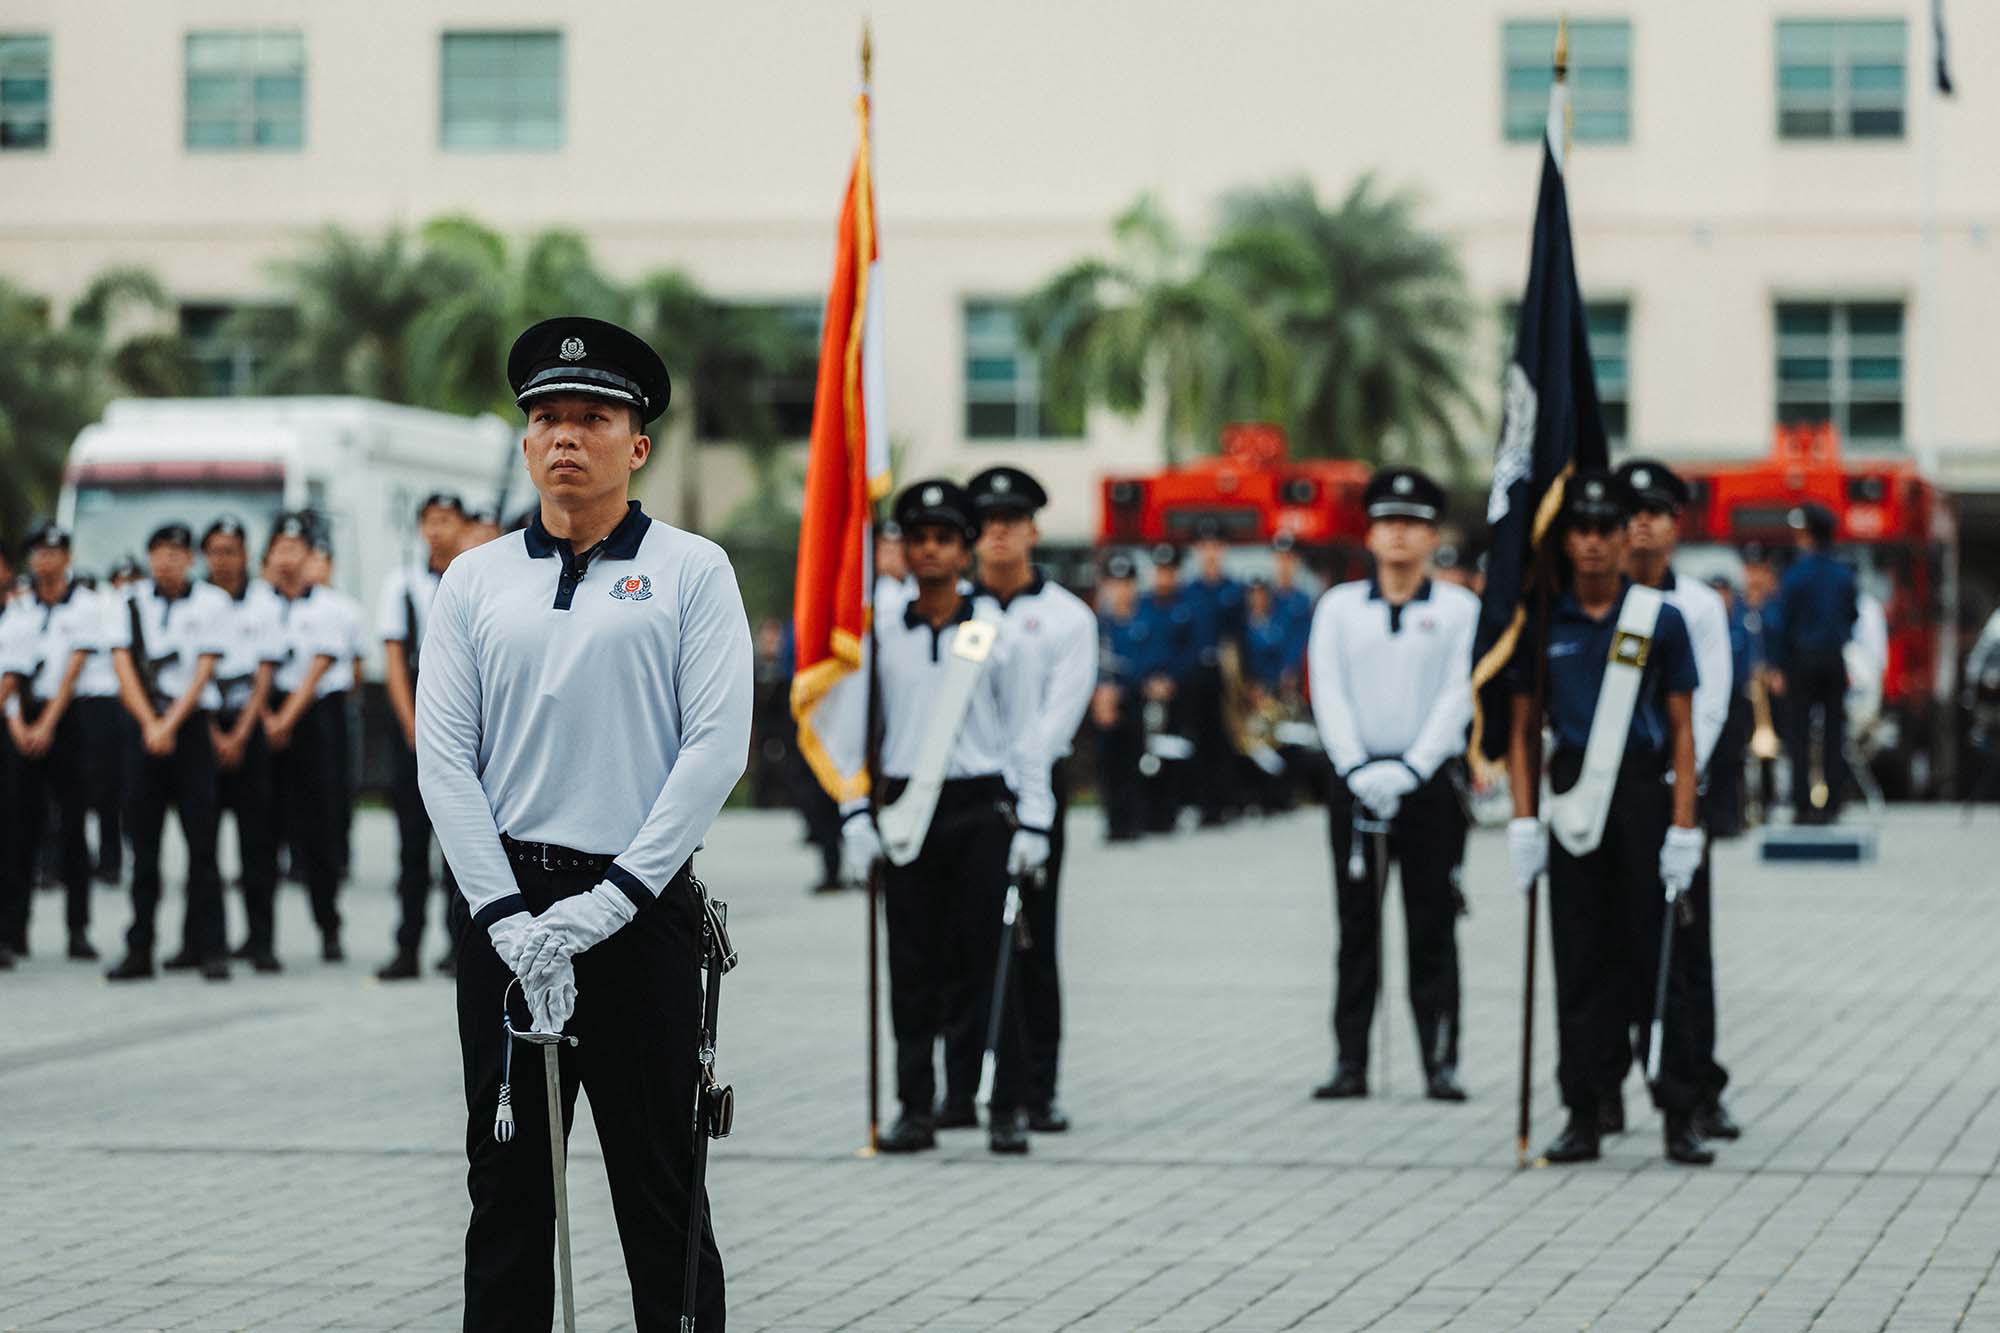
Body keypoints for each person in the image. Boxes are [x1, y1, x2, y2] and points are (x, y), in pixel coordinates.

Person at [417, 315, 749, 1329]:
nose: (565, 436)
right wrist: (508, 917)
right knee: (508, 1183)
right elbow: (443, 758)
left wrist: (608, 903)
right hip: (507, 912)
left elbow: (712, 749)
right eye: (546, 419)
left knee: (660, 1188)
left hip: (638, 912)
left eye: (592, 418)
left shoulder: (692, 571)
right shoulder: (475, 579)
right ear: (525, 442)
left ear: (635, 444)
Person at [1505, 470, 1712, 1167]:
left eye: (1606, 530)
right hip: (1570, 801)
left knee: (1660, 958)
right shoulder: (1542, 622)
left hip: (1641, 796)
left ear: (1627, 538)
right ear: (1565, 541)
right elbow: (1523, 729)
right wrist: (1523, 820)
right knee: (1579, 957)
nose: (1593, 544)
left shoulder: (1661, 618)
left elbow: (1682, 729)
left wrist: (1685, 827)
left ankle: (1680, 1109)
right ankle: (1584, 1107)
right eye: (1581, 531)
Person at [839, 478, 1051, 1157]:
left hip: (978, 806)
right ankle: (915, 1104)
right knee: (911, 963)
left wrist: (1036, 824)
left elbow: (1027, 738)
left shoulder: (1001, 637)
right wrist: (852, 814)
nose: (929, 549)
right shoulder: (878, 635)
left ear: (964, 549)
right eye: (918, 537)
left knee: (988, 962)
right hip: (906, 805)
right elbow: (854, 728)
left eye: (944, 538)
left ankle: (1002, 1103)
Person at [1306, 468, 1478, 1103]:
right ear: (1370, 536)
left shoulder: (1460, 609)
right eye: (1387, 523)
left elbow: (1458, 695)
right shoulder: (1339, 609)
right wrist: (1355, 768)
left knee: (1432, 924)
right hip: (1356, 783)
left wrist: (1413, 768)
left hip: (1429, 787)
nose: (1399, 535)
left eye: (1412, 524)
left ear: (1432, 537)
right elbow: (1328, 692)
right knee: (1356, 926)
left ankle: (1439, 1060)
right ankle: (1350, 1061)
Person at [968, 465, 1098, 1135]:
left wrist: (1026, 791)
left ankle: (1039, 1088)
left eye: (1009, 522)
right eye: (986, 523)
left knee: (1032, 944)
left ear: (1032, 531)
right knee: (962, 949)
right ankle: (963, 1088)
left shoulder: (1067, 617)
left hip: (1034, 794)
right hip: (965, 799)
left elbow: (1057, 718)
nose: (997, 533)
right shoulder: (955, 607)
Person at [1615, 459, 1740, 1144]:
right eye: (1631, 510)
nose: (1642, 522)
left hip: (1675, 794)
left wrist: (1678, 786)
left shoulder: (1697, 605)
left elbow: (1711, 705)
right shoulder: (1593, 598)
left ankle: (1697, 1088)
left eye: (1656, 511)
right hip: (1610, 794)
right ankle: (1608, 1085)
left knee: (1686, 951)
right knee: (1613, 948)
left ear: (1675, 524)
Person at [102, 523, 231, 982]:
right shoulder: (127, 601)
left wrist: (170, 724)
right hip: (144, 725)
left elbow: (205, 671)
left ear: (190, 559)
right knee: (144, 843)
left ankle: (210, 946)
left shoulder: (211, 602)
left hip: (190, 727)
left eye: (176, 553)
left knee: (202, 842)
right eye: (158, 553)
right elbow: (122, 665)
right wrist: (151, 725)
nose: (166, 561)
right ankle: (140, 947)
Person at [376, 492, 469, 980]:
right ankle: (406, 946)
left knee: (459, 846)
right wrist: (412, 725)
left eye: (447, 520)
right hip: (414, 722)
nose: (438, 530)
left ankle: (459, 946)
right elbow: (393, 659)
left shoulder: (475, 576)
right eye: (430, 521)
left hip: (461, 721)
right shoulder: (402, 585)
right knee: (411, 846)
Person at [4, 523, 101, 960]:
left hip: (66, 717)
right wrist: (19, 726)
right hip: (20, 716)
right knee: (18, 827)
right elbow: (7, 671)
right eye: (38, 553)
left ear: (66, 557)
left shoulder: (82, 605)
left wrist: (47, 725)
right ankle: (13, 927)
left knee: (72, 825)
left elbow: (73, 670)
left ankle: (77, 928)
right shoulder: (17, 607)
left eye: (53, 552)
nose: (45, 560)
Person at [260, 513, 347, 961]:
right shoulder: (257, 604)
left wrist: (285, 719)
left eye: (296, 550)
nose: (288, 558)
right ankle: (261, 937)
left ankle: (328, 925)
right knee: (263, 829)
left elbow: (320, 667)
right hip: (265, 710)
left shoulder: (327, 607)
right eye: (280, 549)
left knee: (319, 830)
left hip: (311, 717)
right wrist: (266, 716)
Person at [202, 517, 284, 971]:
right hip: (204, 724)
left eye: (230, 550)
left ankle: (261, 939)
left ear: (245, 555)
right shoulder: (196, 603)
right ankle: (201, 940)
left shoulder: (264, 604)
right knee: (203, 841)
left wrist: (239, 732)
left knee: (257, 840)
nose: (223, 560)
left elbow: (265, 673)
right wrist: (214, 730)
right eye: (214, 551)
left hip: (248, 724)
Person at [1771, 503, 1858, 823]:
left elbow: (1782, 623)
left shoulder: (1795, 575)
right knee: (1835, 732)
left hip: (1801, 659)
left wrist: (1778, 665)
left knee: (1799, 733)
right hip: (1833, 658)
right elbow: (1852, 616)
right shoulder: (1843, 573)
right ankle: (1833, 802)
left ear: (1807, 535)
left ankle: (1801, 803)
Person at [307, 538, 366, 883]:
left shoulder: (346, 608)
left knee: (339, 783)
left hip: (336, 699)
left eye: (320, 562)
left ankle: (340, 853)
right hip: (304, 701)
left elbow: (357, 664)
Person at [1185, 525, 1246, 825]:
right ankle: (1203, 803)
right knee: (1199, 739)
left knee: (1227, 739)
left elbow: (1241, 637)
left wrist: (1247, 678)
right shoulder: (1189, 592)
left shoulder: (1233, 591)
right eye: (1204, 546)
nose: (1210, 553)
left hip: (1225, 673)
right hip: (1196, 674)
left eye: (1215, 546)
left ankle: (1226, 803)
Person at [1135, 545, 1199, 832]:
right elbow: (1136, 646)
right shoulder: (1142, 605)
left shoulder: (1187, 606)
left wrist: (1172, 680)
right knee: (1146, 752)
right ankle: (1147, 811)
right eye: (1160, 571)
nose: (1164, 577)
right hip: (1146, 690)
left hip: (1178, 690)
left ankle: (1171, 810)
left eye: (1169, 571)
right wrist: (1147, 681)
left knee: (1175, 751)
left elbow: (1192, 650)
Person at [1092, 553, 1150, 843]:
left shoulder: (1143, 620)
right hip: (1105, 701)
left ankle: (1133, 820)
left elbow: (1148, 660)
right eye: (1115, 583)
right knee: (1109, 763)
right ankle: (1114, 821)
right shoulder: (1099, 624)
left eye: (1126, 583)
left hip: (1133, 698)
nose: (1121, 590)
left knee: (1132, 759)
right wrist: (1101, 693)